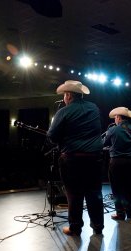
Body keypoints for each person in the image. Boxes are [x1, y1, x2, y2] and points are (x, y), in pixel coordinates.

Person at [47, 80, 104, 236]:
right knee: (94, 193)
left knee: (74, 194)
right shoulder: (94, 108)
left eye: (65, 95)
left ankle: (75, 227)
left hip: (72, 160)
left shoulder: (63, 112)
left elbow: (52, 136)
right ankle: (98, 226)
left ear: (68, 95)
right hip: (94, 159)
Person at [102, 107, 131, 220]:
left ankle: (120, 214)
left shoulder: (112, 130)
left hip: (116, 162)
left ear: (118, 117)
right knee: (128, 188)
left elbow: (103, 143)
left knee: (116, 189)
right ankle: (130, 213)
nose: (114, 120)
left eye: (115, 118)